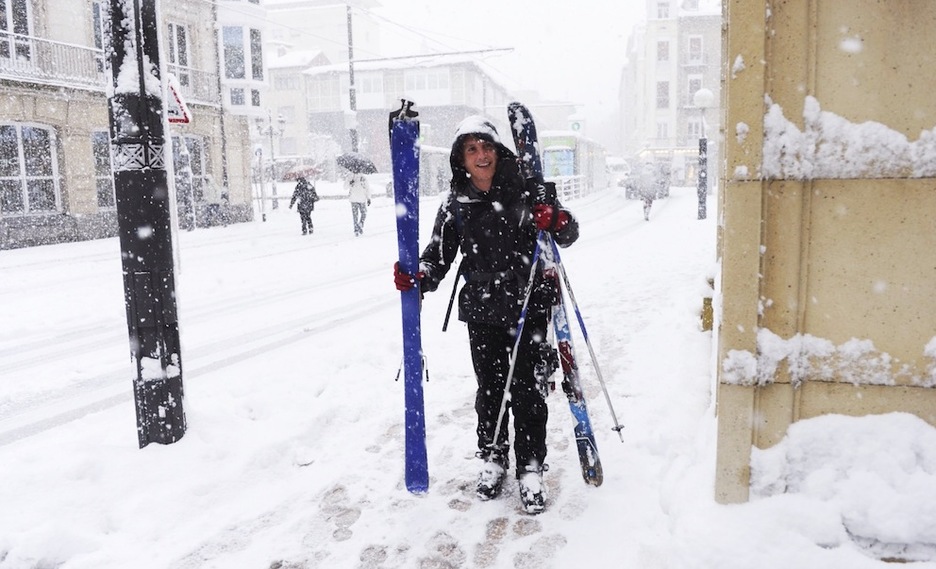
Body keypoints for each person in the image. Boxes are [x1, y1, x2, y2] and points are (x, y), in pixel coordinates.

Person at [393, 116, 580, 514]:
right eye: (472, 149)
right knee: (490, 390)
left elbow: (567, 233)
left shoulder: (527, 189)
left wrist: (556, 219)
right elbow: (438, 255)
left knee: (528, 390)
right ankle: (493, 456)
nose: (481, 156)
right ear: (461, 158)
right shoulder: (455, 203)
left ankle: (530, 467)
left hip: (529, 304)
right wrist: (420, 276)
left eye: (487, 147)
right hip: (482, 308)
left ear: (499, 151)